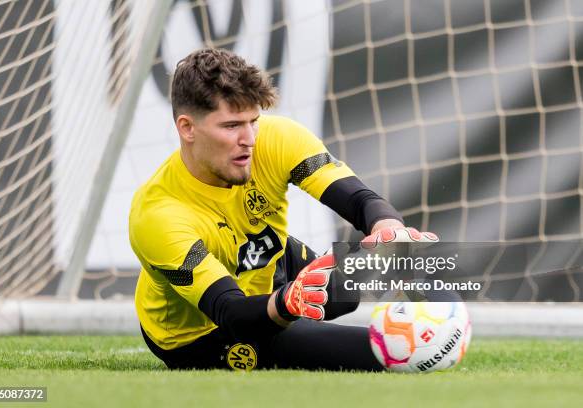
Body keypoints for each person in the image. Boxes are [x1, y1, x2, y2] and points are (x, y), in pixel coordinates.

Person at [130, 48, 437, 371]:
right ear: (187, 128)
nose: (248, 139)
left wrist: (387, 227)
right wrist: (287, 302)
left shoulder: (274, 138)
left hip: (258, 253)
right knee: (391, 352)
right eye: (232, 125)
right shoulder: (157, 215)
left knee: (340, 296)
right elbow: (231, 311)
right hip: (202, 332)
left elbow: (359, 200)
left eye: (253, 121)